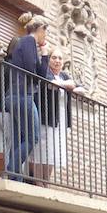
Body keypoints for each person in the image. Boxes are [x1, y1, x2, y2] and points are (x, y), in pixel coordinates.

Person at [3, 13, 51, 180]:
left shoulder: (26, 43)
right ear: (39, 29)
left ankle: (15, 178)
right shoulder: (28, 41)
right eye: (46, 32)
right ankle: (10, 171)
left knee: (19, 139)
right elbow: (33, 71)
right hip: (23, 96)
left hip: (17, 96)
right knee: (33, 137)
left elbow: (41, 74)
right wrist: (41, 56)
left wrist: (44, 55)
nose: (45, 36)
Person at [34, 50, 75, 181]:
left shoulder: (63, 75)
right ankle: (38, 181)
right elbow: (50, 84)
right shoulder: (45, 72)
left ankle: (46, 181)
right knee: (42, 149)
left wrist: (66, 85)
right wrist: (66, 85)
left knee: (53, 151)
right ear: (49, 59)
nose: (57, 61)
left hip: (61, 119)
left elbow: (80, 88)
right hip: (47, 117)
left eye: (60, 58)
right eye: (54, 57)